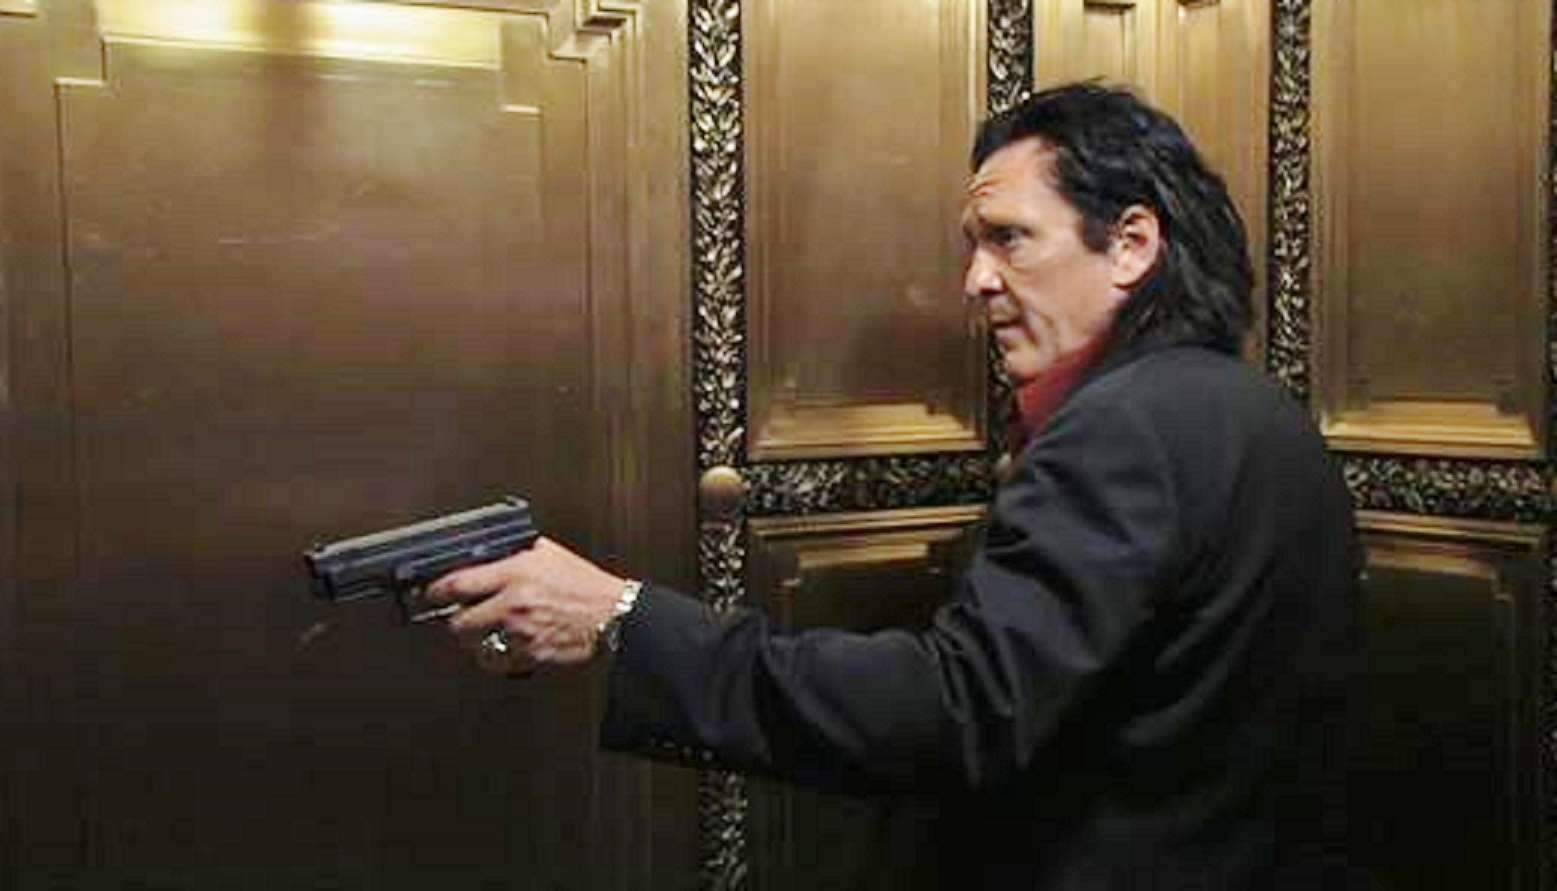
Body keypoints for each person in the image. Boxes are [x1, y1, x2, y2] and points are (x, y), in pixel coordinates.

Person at [426, 82, 1359, 888]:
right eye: (971, 244)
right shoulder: (1252, 412)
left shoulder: (1124, 427)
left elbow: (956, 711)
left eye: (1009, 239)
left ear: (1130, 244)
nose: (974, 280)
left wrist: (621, 617)